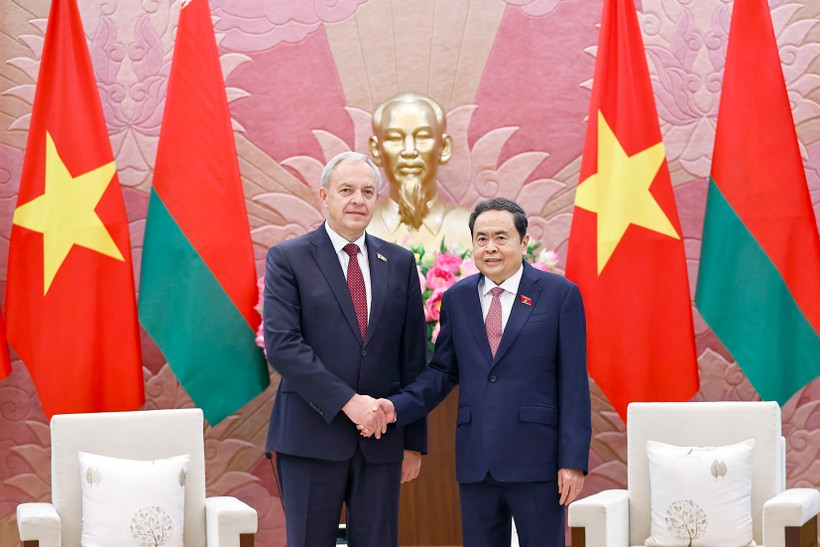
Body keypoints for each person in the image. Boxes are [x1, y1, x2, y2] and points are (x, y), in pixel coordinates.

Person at [367, 197, 591, 547]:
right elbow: (442, 372)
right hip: (477, 461)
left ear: (523, 241)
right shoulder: (457, 298)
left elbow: (574, 384)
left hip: (538, 461)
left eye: (501, 237)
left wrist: (572, 462)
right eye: (481, 238)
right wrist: (397, 407)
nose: (491, 247)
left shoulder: (559, 295)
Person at [262, 151, 428, 546]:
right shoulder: (289, 258)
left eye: (368, 192)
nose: (358, 200)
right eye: (346, 190)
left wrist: (413, 443)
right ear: (324, 196)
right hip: (308, 437)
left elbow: (413, 357)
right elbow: (283, 346)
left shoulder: (400, 262)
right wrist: (349, 403)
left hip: (381, 441)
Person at [367, 92, 473, 249]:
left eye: (423, 137)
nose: (409, 151)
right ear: (376, 150)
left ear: (444, 147)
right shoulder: (358, 233)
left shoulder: (471, 231)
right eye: (395, 138)